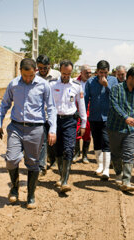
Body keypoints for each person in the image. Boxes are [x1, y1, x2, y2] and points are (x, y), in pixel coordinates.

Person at [0, 58, 57, 209]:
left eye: (31, 75)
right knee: (11, 159)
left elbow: (51, 108)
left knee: (33, 163)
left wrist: (52, 129)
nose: (28, 79)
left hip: (35, 129)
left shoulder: (43, 85)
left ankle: (30, 195)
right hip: (15, 127)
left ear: (35, 71)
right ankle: (14, 187)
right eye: (24, 75)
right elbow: (4, 105)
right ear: (20, 71)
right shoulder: (14, 84)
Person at [50, 60, 87, 192]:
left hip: (70, 121)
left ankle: (65, 181)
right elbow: (47, 104)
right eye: (64, 73)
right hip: (55, 121)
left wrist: (83, 124)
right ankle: (61, 176)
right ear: (60, 71)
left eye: (69, 73)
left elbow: (81, 106)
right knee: (58, 150)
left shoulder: (76, 86)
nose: (66, 76)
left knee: (69, 149)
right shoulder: (52, 84)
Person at [85, 60, 118, 180]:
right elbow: (86, 99)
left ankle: (106, 170)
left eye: (105, 72)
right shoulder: (90, 81)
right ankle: (99, 166)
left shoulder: (113, 81)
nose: (103, 75)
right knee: (97, 142)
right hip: (94, 116)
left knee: (107, 142)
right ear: (97, 71)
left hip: (108, 117)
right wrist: (84, 115)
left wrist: (106, 85)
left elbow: (115, 95)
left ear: (108, 71)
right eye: (100, 72)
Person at [35, 55, 61, 174]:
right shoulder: (35, 77)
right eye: (40, 67)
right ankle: (42, 166)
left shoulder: (57, 75)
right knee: (42, 139)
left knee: (53, 139)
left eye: (45, 67)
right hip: (41, 113)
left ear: (49, 66)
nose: (43, 70)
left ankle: (54, 159)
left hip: (56, 112)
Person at [73, 64, 92, 164]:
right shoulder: (75, 81)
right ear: (81, 73)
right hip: (76, 110)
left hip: (88, 110)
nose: (89, 75)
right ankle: (77, 153)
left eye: (90, 73)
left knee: (87, 132)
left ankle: (85, 155)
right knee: (76, 132)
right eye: (86, 73)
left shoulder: (93, 82)